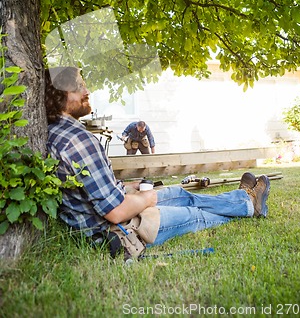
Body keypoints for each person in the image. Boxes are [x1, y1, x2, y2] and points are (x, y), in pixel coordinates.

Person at [45, 67, 271, 259]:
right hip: (117, 231)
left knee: (181, 194)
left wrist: (128, 187)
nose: (87, 91)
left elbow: (93, 190)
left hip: (102, 217)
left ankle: (244, 199)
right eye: (78, 87)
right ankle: (249, 205)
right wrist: (147, 197)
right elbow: (115, 212)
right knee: (193, 215)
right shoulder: (78, 140)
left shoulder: (58, 133)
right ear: (60, 94)